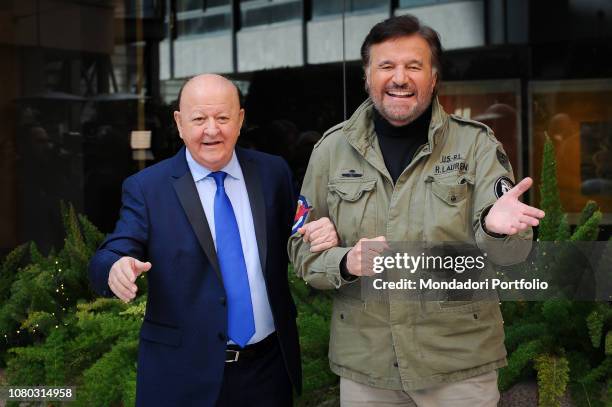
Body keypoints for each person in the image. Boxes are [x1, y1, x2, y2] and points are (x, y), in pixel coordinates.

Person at [289, 15, 545, 407]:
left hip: (459, 366)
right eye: (386, 65)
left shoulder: (475, 145)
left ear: (434, 77)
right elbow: (302, 250)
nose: (399, 78)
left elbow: (514, 255)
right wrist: (345, 262)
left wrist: (496, 232)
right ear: (367, 75)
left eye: (414, 66)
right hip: (367, 370)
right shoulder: (331, 151)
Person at [89, 74, 338, 406]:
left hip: (267, 371)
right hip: (182, 376)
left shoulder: (272, 173)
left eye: (222, 118)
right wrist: (114, 267)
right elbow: (113, 250)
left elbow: (299, 229)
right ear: (179, 123)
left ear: (240, 120)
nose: (211, 130)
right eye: (199, 119)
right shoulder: (148, 188)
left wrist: (321, 230)